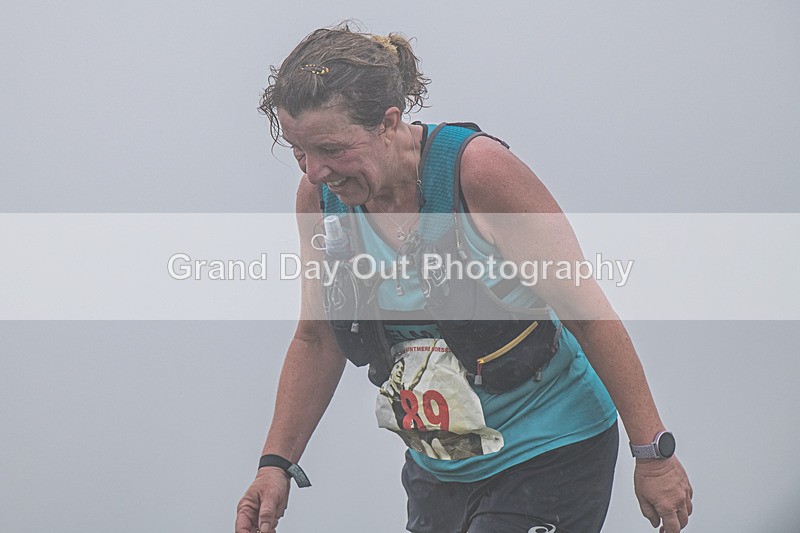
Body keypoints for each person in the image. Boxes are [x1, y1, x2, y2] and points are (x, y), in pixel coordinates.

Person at [236, 23, 693, 533]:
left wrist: (654, 454)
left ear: (389, 123)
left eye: (330, 148)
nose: (315, 170)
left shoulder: (480, 174)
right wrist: (275, 464)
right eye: (299, 150)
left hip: (552, 452)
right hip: (438, 472)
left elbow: (588, 315)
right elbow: (317, 338)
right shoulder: (319, 202)